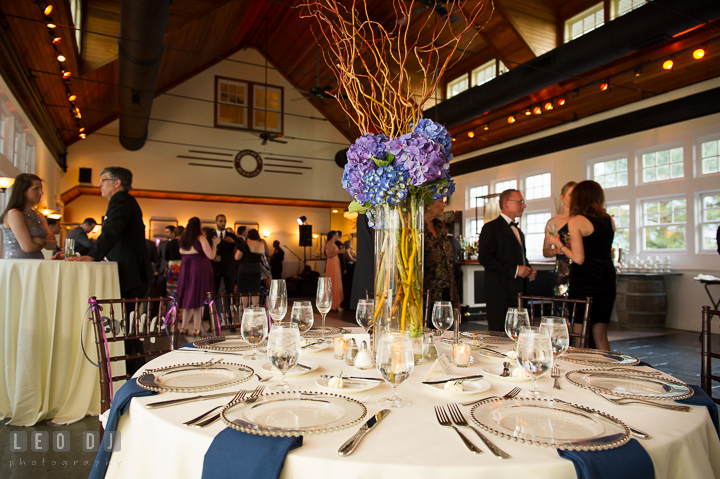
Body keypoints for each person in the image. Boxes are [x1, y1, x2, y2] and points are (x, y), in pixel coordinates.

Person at [66, 167, 153, 375]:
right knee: (126, 323)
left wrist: (93, 256)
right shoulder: (124, 200)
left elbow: (111, 232)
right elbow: (111, 236)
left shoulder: (121, 199)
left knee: (126, 324)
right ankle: (133, 369)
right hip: (132, 271)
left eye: (103, 180)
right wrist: (86, 254)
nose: (98, 184)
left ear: (117, 183)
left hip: (130, 273)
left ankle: (134, 372)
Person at [546, 180, 616, 351]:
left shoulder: (577, 221)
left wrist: (558, 243)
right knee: (600, 334)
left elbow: (578, 258)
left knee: (579, 331)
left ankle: (580, 370)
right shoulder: (609, 219)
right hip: (607, 278)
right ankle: (606, 370)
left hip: (586, 280)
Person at [478, 189, 537, 332]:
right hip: (499, 294)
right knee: (499, 335)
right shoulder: (490, 228)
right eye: (520, 202)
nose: (524, 206)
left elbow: (517, 256)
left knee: (519, 334)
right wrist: (516, 269)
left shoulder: (518, 231)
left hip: (518, 293)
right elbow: (485, 258)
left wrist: (528, 269)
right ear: (506, 204)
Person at [177, 218, 219, 335]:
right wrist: (215, 244)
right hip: (199, 269)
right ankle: (196, 328)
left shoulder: (182, 239)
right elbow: (211, 255)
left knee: (187, 299)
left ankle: (184, 327)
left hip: (185, 269)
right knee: (199, 299)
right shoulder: (200, 238)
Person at [1, 173, 55, 259]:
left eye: (41, 189)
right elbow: (27, 247)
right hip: (19, 264)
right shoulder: (14, 214)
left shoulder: (38, 215)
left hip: (37, 262)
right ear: (23, 190)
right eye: (36, 189)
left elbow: (53, 245)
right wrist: (44, 242)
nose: (41, 192)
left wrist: (40, 241)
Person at [424, 199, 460, 320]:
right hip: (425, 297)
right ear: (427, 204)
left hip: (446, 294)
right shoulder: (414, 228)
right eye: (440, 201)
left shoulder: (440, 227)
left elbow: (449, 266)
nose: (444, 204)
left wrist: (455, 298)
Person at [542, 181, 577, 297]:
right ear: (562, 197)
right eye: (571, 194)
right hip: (562, 269)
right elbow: (546, 251)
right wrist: (556, 251)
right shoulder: (554, 222)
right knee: (561, 306)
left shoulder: (582, 220)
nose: (574, 198)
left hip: (581, 268)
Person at [235, 228, 264, 306]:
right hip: (256, 269)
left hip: (245, 268)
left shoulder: (245, 244)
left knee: (244, 291)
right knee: (255, 291)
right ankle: (256, 311)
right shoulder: (261, 244)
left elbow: (237, 257)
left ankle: (245, 311)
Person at [212, 214, 237, 295]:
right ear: (216, 222)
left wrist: (233, 242)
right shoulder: (212, 235)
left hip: (228, 267)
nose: (223, 223)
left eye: (224, 221)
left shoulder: (231, 236)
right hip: (215, 266)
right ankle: (212, 307)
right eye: (221, 221)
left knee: (230, 291)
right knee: (213, 290)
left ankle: (231, 307)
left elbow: (242, 247)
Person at [324, 230, 344, 311]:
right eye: (336, 235)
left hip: (335, 263)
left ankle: (336, 304)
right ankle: (334, 304)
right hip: (332, 264)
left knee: (336, 281)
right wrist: (339, 251)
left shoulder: (332, 243)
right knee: (334, 282)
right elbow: (328, 255)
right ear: (333, 235)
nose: (337, 236)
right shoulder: (330, 244)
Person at [166, 225, 183, 296]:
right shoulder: (183, 243)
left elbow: (166, 257)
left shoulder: (170, 243)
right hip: (182, 265)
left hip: (172, 266)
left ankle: (171, 305)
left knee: (172, 291)